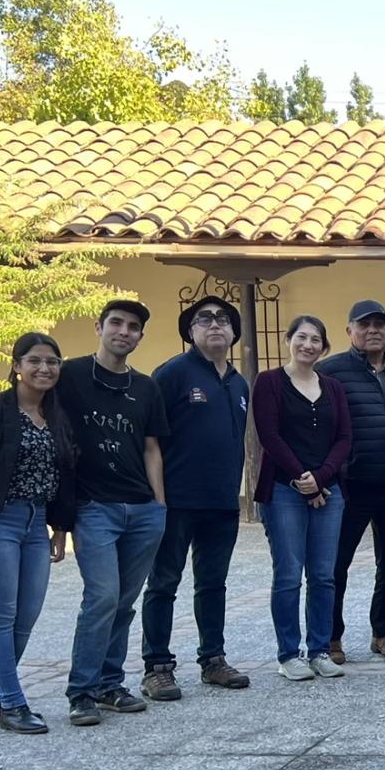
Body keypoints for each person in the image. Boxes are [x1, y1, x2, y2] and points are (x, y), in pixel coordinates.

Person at [0, 332, 76, 735]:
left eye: (52, 362)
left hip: (35, 523)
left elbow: (63, 473)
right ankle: (12, 703)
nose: (44, 369)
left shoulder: (55, 413)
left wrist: (60, 527)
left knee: (26, 617)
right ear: (17, 367)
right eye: (35, 361)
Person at [55, 299, 171, 728]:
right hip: (93, 507)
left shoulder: (146, 387)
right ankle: (81, 692)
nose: (124, 331)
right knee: (101, 597)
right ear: (99, 326)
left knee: (123, 602)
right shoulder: (69, 375)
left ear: (140, 336)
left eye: (133, 327)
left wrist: (158, 504)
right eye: (116, 323)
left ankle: (110, 683)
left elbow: (151, 447)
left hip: (142, 509)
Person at [138, 295, 252, 701]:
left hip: (222, 502)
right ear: (190, 331)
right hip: (175, 502)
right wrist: (156, 498)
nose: (215, 324)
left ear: (235, 332)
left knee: (212, 584)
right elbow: (148, 438)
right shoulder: (172, 374)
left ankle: (213, 660)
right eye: (204, 319)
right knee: (164, 582)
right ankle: (157, 667)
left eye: (223, 319)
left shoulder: (239, 384)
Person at [317, 299, 385, 665]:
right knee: (335, 564)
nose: (373, 330)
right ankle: (330, 638)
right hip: (349, 485)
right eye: (364, 325)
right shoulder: (329, 372)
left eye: (379, 323)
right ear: (349, 332)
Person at [252, 316, 353, 682]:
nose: (308, 345)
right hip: (283, 491)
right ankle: (289, 654)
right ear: (288, 340)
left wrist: (322, 477)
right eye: (301, 337)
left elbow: (344, 438)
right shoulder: (269, 382)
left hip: (330, 490)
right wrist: (302, 479)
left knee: (324, 575)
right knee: (289, 574)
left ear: (324, 347)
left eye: (315, 339)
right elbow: (270, 435)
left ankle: (321, 650)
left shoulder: (334, 387)